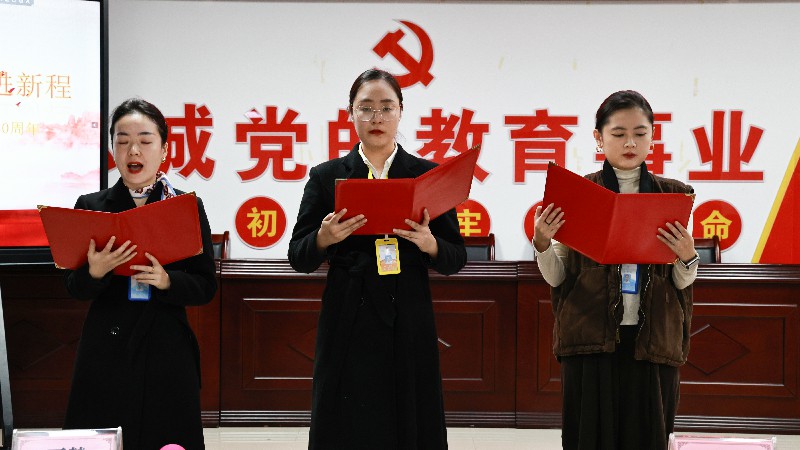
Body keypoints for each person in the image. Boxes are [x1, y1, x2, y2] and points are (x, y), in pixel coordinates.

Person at [288, 69, 467, 450]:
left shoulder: (427, 176)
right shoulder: (327, 177)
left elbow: (455, 258)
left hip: (408, 313)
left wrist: (429, 243)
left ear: (401, 112)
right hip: (348, 313)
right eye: (366, 108)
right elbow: (297, 256)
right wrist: (323, 238)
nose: (376, 118)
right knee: (348, 418)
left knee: (409, 411)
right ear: (350, 113)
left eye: (386, 108)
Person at [533, 90, 698, 450]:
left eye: (640, 133)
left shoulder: (672, 195)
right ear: (599, 138)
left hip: (652, 339)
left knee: (648, 438)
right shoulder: (578, 193)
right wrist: (542, 243)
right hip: (589, 337)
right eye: (619, 133)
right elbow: (558, 278)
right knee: (589, 439)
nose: (630, 143)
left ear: (652, 138)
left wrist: (688, 256)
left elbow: (681, 281)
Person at [63, 98, 217, 450]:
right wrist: (95, 272)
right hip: (107, 347)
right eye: (122, 141)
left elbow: (206, 285)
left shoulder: (185, 205)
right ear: (112, 150)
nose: (133, 150)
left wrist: (167, 281)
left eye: (145, 140)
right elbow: (74, 287)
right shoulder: (91, 207)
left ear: (164, 150)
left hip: (166, 346)